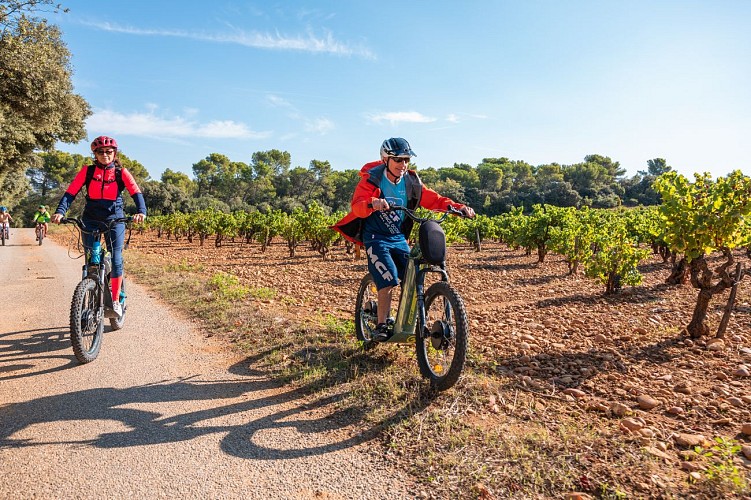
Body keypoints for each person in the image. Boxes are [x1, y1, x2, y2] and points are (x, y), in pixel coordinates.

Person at [333, 137, 475, 341]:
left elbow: (433, 199)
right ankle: (382, 323)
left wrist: (457, 207)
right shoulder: (372, 179)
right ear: (385, 160)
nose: (403, 164)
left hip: (398, 237)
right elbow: (358, 205)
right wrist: (373, 203)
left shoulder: (411, 182)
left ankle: (405, 322)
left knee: (412, 276)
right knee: (388, 277)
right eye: (398, 160)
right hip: (375, 237)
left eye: (406, 160)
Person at [51, 136, 147, 318]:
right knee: (91, 259)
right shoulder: (87, 172)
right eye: (100, 152)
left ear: (114, 153)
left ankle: (116, 299)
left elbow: (136, 193)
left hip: (115, 219)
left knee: (116, 257)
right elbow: (70, 192)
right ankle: (90, 291)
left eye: (109, 152)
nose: (105, 155)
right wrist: (60, 211)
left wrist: (141, 211)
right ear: (94, 154)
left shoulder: (121, 173)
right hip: (91, 218)